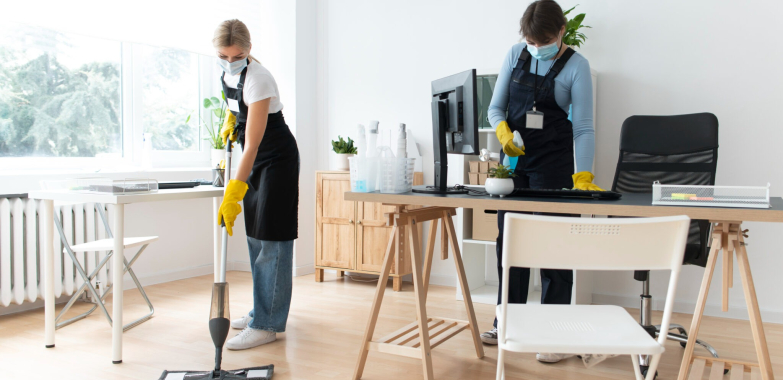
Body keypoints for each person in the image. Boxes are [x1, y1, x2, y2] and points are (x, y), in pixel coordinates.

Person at [479, 0, 603, 363]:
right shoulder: (516, 54)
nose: (537, 47)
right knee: (511, 244)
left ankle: (554, 332)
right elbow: (495, 108)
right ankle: (507, 322)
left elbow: (582, 128)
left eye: (543, 41)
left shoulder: (577, 67)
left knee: (555, 248)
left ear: (561, 32)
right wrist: (502, 134)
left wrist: (583, 176)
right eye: (531, 41)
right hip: (514, 163)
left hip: (555, 165)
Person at [213, 19, 300, 350]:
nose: (230, 62)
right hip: (256, 160)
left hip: (275, 159)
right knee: (255, 238)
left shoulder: (259, 79)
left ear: (248, 52)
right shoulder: (227, 74)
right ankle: (260, 311)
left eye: (237, 56)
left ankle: (267, 324)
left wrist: (234, 192)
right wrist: (229, 122)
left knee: (272, 239)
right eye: (224, 55)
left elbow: (252, 144)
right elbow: (239, 113)